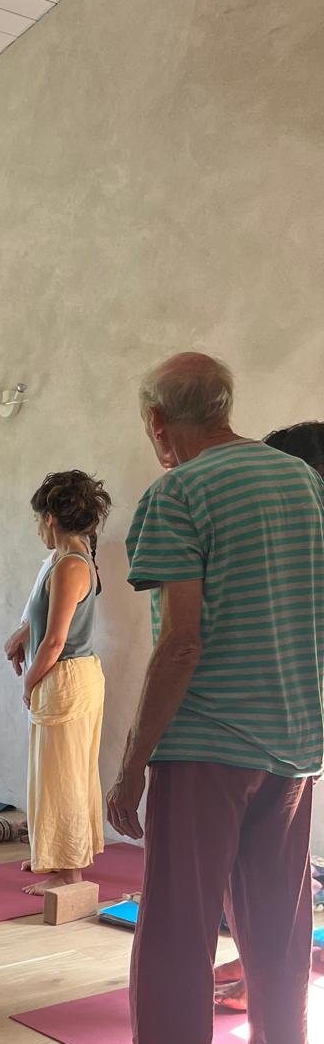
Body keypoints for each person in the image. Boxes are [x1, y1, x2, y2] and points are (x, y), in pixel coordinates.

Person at [107, 354, 324, 1044]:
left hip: (207, 747)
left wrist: (133, 765)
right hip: (296, 747)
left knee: (176, 931)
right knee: (278, 929)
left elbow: (182, 642)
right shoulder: (306, 484)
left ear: (160, 424)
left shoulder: (177, 492)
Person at [213, 420, 324, 1012]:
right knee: (261, 872)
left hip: (287, 735)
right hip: (285, 733)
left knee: (275, 877)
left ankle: (266, 979)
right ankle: (258, 969)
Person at [7, 471, 110, 894]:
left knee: (63, 776)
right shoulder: (69, 559)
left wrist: (29, 683)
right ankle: (56, 858)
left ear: (50, 518)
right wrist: (21, 634)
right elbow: (44, 623)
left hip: (65, 677)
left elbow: (55, 640)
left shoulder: (70, 564)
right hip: (71, 677)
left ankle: (69, 874)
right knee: (56, 773)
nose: (37, 531)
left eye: (37, 522)